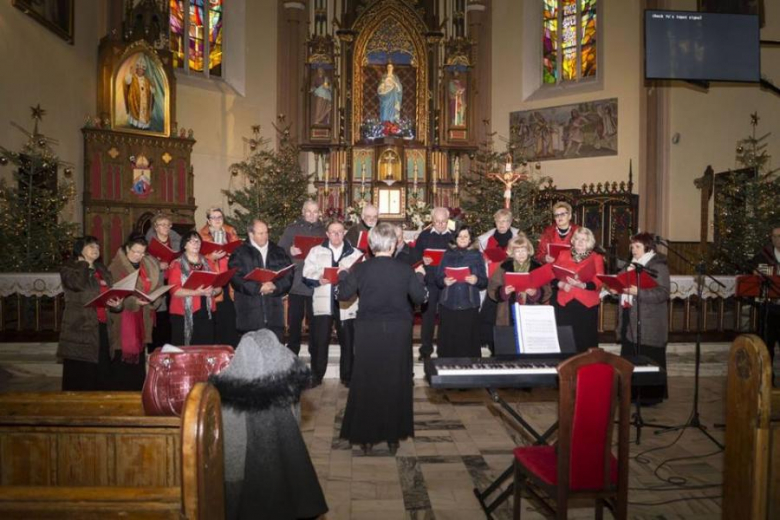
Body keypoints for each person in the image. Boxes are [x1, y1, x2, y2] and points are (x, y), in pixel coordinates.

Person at [210, 330, 328, 520]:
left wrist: (230, 493)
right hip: (287, 478)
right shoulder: (286, 387)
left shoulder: (227, 395)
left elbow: (233, 457)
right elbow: (295, 424)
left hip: (247, 490)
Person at [337, 223, 428, 454]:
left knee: (367, 379)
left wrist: (342, 275)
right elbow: (420, 298)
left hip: (369, 330)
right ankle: (392, 436)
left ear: (370, 244)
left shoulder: (361, 269)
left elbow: (343, 294)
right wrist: (420, 278)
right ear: (395, 243)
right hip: (398, 330)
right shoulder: (405, 269)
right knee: (395, 380)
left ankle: (365, 436)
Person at [302, 220, 363, 387]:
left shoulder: (356, 253)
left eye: (339, 232)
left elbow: (361, 277)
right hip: (323, 299)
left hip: (346, 302)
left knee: (348, 341)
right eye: (333, 232)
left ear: (344, 233)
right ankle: (316, 375)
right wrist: (318, 278)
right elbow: (306, 273)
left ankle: (348, 376)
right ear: (327, 234)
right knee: (319, 340)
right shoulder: (315, 251)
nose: (336, 235)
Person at [58, 236, 123, 391]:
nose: (96, 249)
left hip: (101, 326)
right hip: (80, 327)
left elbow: (109, 293)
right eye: (91, 246)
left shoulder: (102, 269)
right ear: (79, 249)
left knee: (102, 371)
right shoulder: (69, 268)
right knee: (82, 373)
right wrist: (84, 264)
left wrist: (117, 304)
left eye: (97, 247)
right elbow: (77, 285)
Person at [613, 232, 671, 404]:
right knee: (630, 355)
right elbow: (620, 283)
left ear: (648, 247)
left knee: (648, 356)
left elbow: (663, 293)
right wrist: (615, 289)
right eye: (632, 246)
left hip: (649, 320)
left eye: (637, 246)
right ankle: (629, 394)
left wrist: (638, 292)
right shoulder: (631, 265)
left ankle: (648, 397)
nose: (633, 249)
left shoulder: (658, 266)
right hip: (629, 316)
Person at [108, 234, 164, 390]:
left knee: (139, 354)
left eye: (142, 253)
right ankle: (123, 392)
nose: (139, 256)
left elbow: (153, 286)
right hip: (124, 319)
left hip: (142, 316)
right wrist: (133, 301)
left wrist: (153, 299)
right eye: (135, 252)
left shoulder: (146, 265)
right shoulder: (115, 267)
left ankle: (138, 390)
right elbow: (113, 295)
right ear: (127, 248)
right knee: (123, 357)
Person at [229, 220, 293, 342]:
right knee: (252, 355)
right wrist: (257, 288)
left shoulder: (278, 251)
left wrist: (276, 286)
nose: (265, 236)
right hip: (250, 314)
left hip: (274, 313)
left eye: (266, 232)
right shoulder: (239, 253)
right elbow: (235, 278)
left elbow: (288, 275)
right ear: (251, 234)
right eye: (260, 233)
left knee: (274, 354)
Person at [278, 200, 327, 355]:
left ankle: (315, 354)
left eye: (315, 211)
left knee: (315, 322)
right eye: (308, 211)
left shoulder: (324, 231)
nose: (312, 215)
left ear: (319, 213)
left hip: (315, 283)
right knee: (294, 321)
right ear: (303, 212)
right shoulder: (292, 230)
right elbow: (279, 251)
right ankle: (292, 353)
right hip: (297, 282)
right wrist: (289, 250)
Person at [435, 225, 488, 358]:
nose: (463, 239)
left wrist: (476, 280)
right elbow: (438, 278)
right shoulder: (447, 254)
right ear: (455, 238)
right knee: (449, 339)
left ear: (470, 238)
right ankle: (446, 369)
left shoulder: (477, 255)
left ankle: (469, 370)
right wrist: (444, 281)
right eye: (460, 236)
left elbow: (484, 281)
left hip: (469, 303)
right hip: (449, 302)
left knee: (468, 340)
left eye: (466, 236)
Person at [552, 227, 605, 352]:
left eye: (584, 240)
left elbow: (599, 280)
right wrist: (561, 284)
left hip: (586, 304)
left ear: (590, 242)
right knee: (565, 341)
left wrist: (583, 285)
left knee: (585, 342)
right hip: (565, 302)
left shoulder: (596, 257)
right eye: (577, 239)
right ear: (573, 241)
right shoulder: (563, 255)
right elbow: (553, 275)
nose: (580, 242)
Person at [413, 207, 454, 360]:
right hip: (430, 280)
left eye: (444, 222)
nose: (441, 224)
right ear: (432, 220)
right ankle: (426, 350)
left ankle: (444, 350)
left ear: (448, 220)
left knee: (446, 317)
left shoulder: (454, 236)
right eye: (437, 221)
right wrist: (423, 259)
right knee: (428, 317)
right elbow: (415, 256)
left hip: (447, 282)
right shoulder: (424, 236)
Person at [477, 209, 520, 352]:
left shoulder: (517, 237)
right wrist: (484, 259)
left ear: (510, 222)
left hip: (510, 282)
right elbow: (478, 257)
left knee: (508, 317)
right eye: (499, 221)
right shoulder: (485, 239)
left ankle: (508, 348)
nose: (502, 224)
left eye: (505, 221)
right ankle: (492, 347)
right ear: (495, 222)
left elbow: (524, 255)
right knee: (491, 316)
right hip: (493, 282)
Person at [168, 231, 221, 346]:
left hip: (206, 312)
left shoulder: (208, 263)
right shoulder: (176, 264)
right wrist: (197, 292)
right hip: (183, 313)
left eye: (197, 241)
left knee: (205, 348)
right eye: (191, 241)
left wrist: (212, 291)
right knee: (185, 351)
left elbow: (218, 287)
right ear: (184, 245)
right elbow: (174, 291)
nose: (195, 244)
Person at [199, 206, 240, 348]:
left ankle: (230, 349)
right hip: (214, 279)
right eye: (213, 217)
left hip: (230, 279)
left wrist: (232, 255)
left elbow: (239, 251)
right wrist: (211, 257)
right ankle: (217, 350)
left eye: (220, 217)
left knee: (230, 316)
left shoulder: (231, 232)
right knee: (217, 316)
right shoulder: (201, 236)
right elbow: (197, 259)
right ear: (208, 221)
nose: (217, 220)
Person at [487, 235, 550, 327]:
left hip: (533, 312)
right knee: (511, 339)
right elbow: (492, 287)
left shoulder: (537, 267)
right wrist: (503, 291)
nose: (521, 254)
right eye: (517, 251)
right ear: (512, 253)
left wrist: (536, 293)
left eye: (523, 250)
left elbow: (547, 290)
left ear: (528, 251)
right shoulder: (504, 267)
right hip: (507, 312)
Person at [145, 213, 182, 350]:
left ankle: (171, 349)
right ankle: (156, 351)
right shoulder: (148, 244)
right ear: (155, 227)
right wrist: (157, 264)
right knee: (159, 318)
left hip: (172, 281)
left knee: (172, 318)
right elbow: (143, 263)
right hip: (156, 283)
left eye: (168, 224)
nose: (165, 227)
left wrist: (177, 260)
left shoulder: (177, 242)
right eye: (162, 224)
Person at [750, 225, 780, 381]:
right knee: (767, 345)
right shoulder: (764, 256)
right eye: (774, 236)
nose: (777, 239)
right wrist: (757, 273)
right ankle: (768, 379)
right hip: (769, 308)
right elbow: (754, 272)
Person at [124, 58, 156, 130]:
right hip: (135, 101)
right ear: (137, 69)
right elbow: (127, 81)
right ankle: (136, 126)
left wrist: (153, 86)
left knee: (144, 116)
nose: (141, 71)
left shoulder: (147, 80)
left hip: (145, 104)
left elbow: (153, 91)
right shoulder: (133, 77)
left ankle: (143, 127)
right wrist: (130, 73)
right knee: (135, 115)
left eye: (142, 70)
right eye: (139, 69)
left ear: (144, 71)